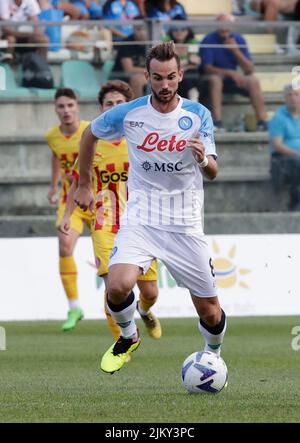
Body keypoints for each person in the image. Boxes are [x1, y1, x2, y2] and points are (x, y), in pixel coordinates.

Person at [74, 41, 227, 374]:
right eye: (158, 78)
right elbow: (89, 135)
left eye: (171, 77)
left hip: (185, 222)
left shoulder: (197, 115)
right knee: (116, 285)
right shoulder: (131, 113)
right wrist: (84, 183)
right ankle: (128, 336)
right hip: (141, 217)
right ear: (147, 77)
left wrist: (203, 159)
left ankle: (213, 353)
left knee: (211, 312)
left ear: (180, 75)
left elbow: (213, 171)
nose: (165, 85)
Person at [59, 80, 162, 341]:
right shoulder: (91, 142)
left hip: (141, 224)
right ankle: (123, 340)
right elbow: (76, 181)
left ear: (128, 107)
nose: (114, 107)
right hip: (105, 223)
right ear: (102, 108)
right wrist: (68, 214)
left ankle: (145, 310)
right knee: (113, 288)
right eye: (109, 103)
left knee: (150, 292)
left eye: (119, 103)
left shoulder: (142, 140)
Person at [45, 88, 93, 331]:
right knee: (64, 246)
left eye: (70, 105)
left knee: (109, 260)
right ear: (56, 109)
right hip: (70, 201)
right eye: (61, 106)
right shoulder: (52, 136)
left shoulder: (91, 131)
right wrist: (54, 185)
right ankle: (74, 307)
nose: (66, 111)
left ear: (77, 107)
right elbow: (57, 157)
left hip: (97, 200)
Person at [200, 13, 268, 131]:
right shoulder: (208, 39)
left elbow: (249, 69)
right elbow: (207, 68)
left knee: (253, 80)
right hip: (211, 80)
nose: (224, 28)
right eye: (221, 24)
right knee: (215, 80)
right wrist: (231, 73)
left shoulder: (239, 39)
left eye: (227, 25)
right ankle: (217, 122)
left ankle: (262, 121)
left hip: (232, 80)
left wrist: (236, 51)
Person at [269, 84, 300, 211]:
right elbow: (277, 145)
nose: (293, 98)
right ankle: (296, 199)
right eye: (289, 94)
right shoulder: (278, 117)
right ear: (285, 98)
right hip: (283, 159)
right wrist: (297, 153)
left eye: (296, 94)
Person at [110, 18, 148, 98]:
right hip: (122, 77)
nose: (142, 32)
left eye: (144, 29)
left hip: (144, 74)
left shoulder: (152, 42)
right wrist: (150, 71)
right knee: (137, 80)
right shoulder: (127, 42)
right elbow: (129, 69)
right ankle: (138, 108)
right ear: (133, 29)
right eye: (138, 29)